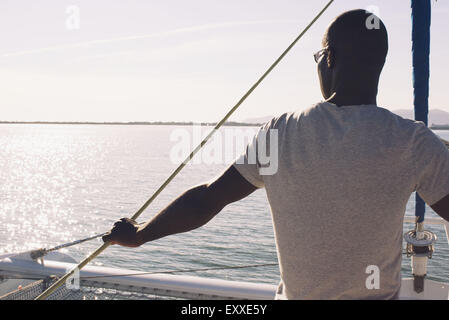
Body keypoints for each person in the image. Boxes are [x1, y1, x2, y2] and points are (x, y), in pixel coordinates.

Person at [102, 10, 449, 299]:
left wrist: (139, 235)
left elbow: (207, 200)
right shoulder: (413, 142)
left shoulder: (282, 132)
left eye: (319, 57)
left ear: (330, 58)